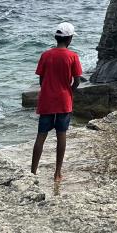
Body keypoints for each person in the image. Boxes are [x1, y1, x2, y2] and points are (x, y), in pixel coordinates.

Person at [31, 22, 82, 182]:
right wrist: (69, 92)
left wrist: (47, 91)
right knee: (61, 135)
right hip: (64, 101)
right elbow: (77, 81)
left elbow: (41, 79)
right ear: (70, 39)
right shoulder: (72, 56)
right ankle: (57, 173)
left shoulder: (46, 55)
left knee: (41, 136)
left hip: (46, 101)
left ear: (56, 38)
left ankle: (33, 172)